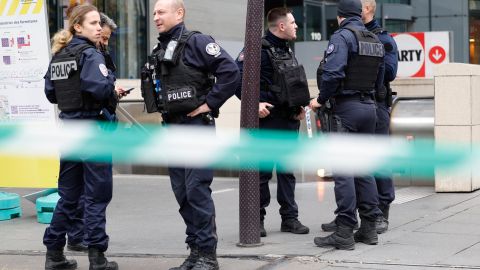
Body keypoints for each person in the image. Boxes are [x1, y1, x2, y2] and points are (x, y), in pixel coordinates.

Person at [148, 0, 240, 269]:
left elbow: (230, 71)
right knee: (182, 193)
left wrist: (210, 103)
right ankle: (195, 251)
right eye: (153, 12)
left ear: (179, 13)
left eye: (161, 12)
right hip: (172, 129)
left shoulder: (197, 42)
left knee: (197, 191)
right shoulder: (160, 48)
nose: (155, 17)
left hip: (196, 128)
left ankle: (208, 257)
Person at [43, 4, 123, 270]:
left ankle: (54, 254)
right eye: (93, 23)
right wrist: (112, 90)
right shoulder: (90, 54)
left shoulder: (59, 55)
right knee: (97, 195)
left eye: (100, 23)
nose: (99, 28)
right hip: (93, 131)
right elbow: (99, 88)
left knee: (68, 195)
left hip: (69, 130)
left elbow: (51, 93)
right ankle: (97, 257)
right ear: (77, 27)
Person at [309, 0, 384, 250]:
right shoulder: (373, 39)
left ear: (340, 16)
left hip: (347, 110)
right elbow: (381, 79)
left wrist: (320, 100)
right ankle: (369, 228)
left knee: (343, 172)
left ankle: (344, 231)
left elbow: (333, 74)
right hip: (369, 108)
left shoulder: (342, 36)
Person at [235, 7, 310, 238]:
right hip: (266, 123)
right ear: (281, 26)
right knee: (262, 173)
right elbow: (237, 79)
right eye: (293, 22)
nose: (296, 26)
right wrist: (253, 104)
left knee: (287, 172)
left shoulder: (287, 50)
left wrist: (298, 107)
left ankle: (290, 219)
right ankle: (256, 219)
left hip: (288, 121)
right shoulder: (257, 48)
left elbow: (291, 84)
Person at [361, 0, 398, 234]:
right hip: (355, 105)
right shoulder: (349, 35)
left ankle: (382, 212)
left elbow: (391, 73)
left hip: (376, 105)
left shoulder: (384, 38)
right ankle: (359, 213)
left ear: (365, 9)